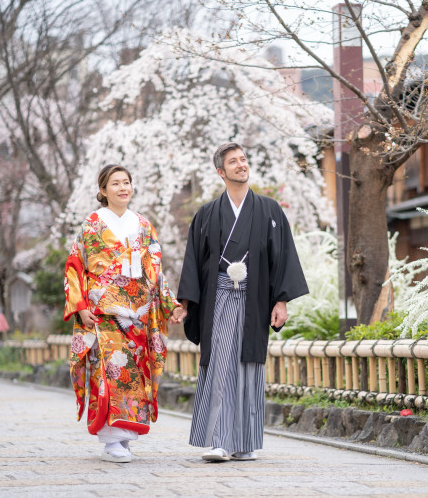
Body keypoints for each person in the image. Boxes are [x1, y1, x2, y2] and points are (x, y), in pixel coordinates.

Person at [177, 142, 308, 462]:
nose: (241, 165)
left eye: (243, 159)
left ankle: (245, 441)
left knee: (249, 365)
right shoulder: (207, 214)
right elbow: (194, 259)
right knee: (221, 364)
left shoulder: (269, 210)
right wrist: (186, 303)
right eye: (233, 162)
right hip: (219, 295)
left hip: (255, 297)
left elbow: (282, 257)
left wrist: (281, 301)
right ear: (220, 172)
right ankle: (220, 440)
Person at [63, 164, 184, 463]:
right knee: (109, 374)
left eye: (126, 182)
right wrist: (80, 307)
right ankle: (111, 440)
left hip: (136, 316)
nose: (122, 188)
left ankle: (125, 436)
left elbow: (155, 269)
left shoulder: (143, 225)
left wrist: (170, 304)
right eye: (115, 183)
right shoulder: (91, 225)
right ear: (103, 191)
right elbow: (75, 266)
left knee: (133, 375)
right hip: (102, 314)